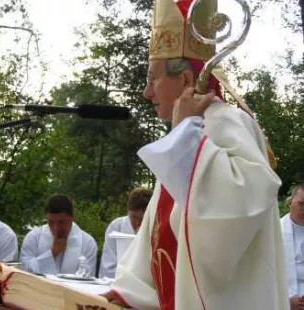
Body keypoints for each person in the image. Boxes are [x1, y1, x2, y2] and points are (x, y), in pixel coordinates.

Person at [102, 0, 289, 309]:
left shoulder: (228, 122)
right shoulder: (185, 135)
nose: (147, 92)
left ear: (186, 80)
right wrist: (126, 293)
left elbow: (240, 210)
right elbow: (160, 234)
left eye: (153, 79)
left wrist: (183, 137)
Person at [19, 194, 97, 276]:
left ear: (72, 218)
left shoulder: (88, 243)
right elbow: (23, 270)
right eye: (51, 222)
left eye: (61, 222)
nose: (56, 228)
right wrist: (52, 253)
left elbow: (88, 278)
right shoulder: (33, 237)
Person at [98, 187, 153, 278]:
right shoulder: (116, 227)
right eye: (134, 217)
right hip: (115, 282)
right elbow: (108, 266)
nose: (138, 223)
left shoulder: (154, 231)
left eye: (143, 219)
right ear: (128, 210)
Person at [281, 184, 304, 310]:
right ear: (290, 202)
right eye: (301, 203)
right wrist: (285, 300)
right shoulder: (276, 232)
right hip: (285, 299)